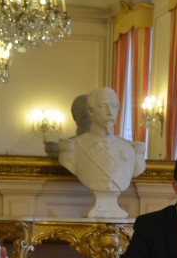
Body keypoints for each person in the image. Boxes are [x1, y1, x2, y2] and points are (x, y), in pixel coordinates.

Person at [58, 87, 146, 217]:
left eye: (114, 106)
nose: (110, 113)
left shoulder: (128, 148)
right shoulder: (75, 146)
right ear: (90, 110)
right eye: (104, 106)